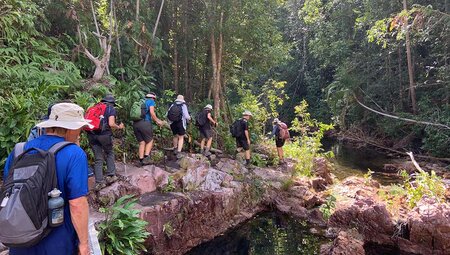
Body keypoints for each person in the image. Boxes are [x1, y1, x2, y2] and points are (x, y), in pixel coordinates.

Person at [3, 102, 91, 255]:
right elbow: (77, 204)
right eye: (79, 128)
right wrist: (84, 244)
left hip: (19, 238)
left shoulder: (19, 150)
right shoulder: (74, 154)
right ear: (71, 129)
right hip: (57, 242)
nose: (80, 133)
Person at [87, 94, 124, 189]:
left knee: (98, 158)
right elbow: (111, 123)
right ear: (111, 103)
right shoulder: (110, 108)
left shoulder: (93, 108)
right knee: (109, 153)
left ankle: (99, 182)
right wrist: (118, 127)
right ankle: (111, 175)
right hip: (104, 135)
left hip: (91, 135)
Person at [132, 92, 163, 166]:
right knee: (150, 140)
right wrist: (158, 121)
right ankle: (146, 158)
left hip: (135, 124)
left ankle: (141, 160)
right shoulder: (151, 102)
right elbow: (152, 113)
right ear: (153, 98)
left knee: (142, 142)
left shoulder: (140, 102)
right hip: (145, 123)